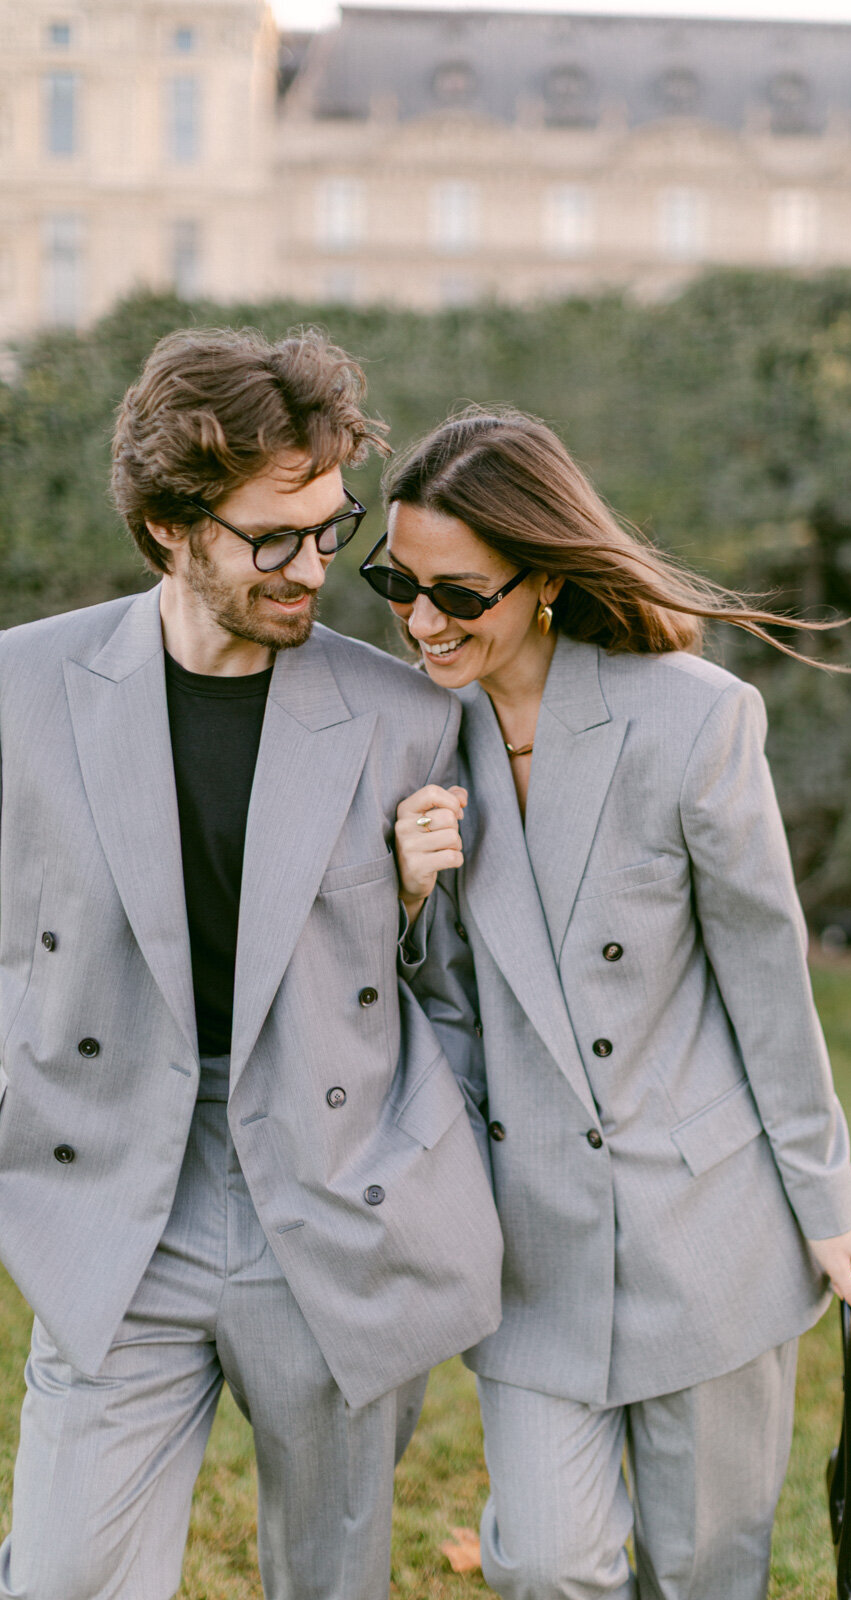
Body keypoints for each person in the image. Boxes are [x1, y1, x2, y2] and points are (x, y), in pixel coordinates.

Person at [0, 331, 502, 1600]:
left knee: (327, 1580)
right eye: (272, 538)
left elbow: (448, 986)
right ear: (171, 529)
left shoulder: (407, 717)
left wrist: (408, 1137)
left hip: (334, 1202)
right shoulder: (23, 689)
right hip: (115, 1195)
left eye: (330, 530)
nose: (313, 568)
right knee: (59, 1577)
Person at [368, 409, 851, 1600]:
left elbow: (766, 980)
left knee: (706, 1571)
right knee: (543, 1567)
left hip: (707, 1228)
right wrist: (403, 890)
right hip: (529, 1239)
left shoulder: (693, 717)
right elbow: (428, 1006)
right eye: (398, 581)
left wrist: (824, 1200)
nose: (421, 620)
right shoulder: (403, 732)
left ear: (541, 576)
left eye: (458, 593)